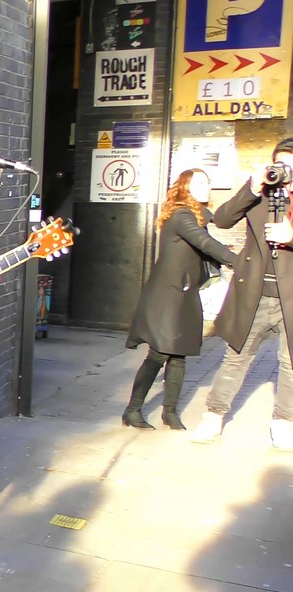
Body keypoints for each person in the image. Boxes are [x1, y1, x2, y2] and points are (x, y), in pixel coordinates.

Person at [192, 137, 293, 450]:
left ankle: (284, 421)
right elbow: (221, 219)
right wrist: (252, 186)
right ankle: (214, 414)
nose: (285, 171)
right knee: (236, 356)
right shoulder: (260, 195)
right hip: (255, 293)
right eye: (281, 164)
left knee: (291, 363)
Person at [122, 169, 238, 430]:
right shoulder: (181, 215)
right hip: (168, 295)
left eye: (208, 182)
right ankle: (133, 410)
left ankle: (170, 413)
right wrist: (238, 262)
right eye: (200, 182)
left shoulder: (196, 217)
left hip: (185, 294)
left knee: (179, 354)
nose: (207, 186)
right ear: (185, 187)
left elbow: (205, 245)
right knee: (160, 353)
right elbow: (204, 243)